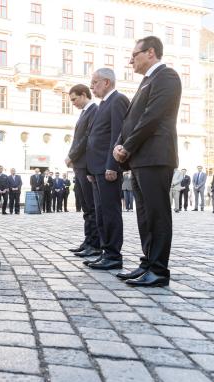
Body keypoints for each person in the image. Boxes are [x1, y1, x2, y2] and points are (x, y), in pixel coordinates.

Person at [113, 36, 182, 287]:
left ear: (150, 53)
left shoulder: (167, 76)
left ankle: (159, 270)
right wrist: (121, 145)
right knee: (144, 215)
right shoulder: (147, 81)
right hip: (142, 158)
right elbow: (132, 118)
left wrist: (127, 146)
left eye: (135, 54)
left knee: (157, 214)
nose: (131, 60)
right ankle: (148, 263)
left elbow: (152, 116)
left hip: (155, 155)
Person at [84, 67, 129, 270]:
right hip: (97, 168)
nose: (92, 87)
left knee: (110, 212)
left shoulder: (117, 100)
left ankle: (113, 255)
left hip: (107, 167)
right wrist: (90, 169)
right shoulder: (103, 104)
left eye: (94, 83)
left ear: (106, 82)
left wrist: (113, 165)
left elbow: (118, 135)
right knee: (101, 212)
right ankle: (105, 252)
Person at [65, 83, 100, 256]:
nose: (73, 103)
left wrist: (72, 155)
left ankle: (94, 244)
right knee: (86, 207)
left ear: (84, 94)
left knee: (91, 207)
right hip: (79, 164)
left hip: (86, 165)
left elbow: (87, 137)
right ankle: (88, 241)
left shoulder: (93, 110)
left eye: (74, 99)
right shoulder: (85, 112)